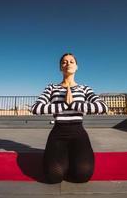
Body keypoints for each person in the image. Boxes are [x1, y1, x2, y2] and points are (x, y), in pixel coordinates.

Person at [31, 53, 108, 183]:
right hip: (58, 134)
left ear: (77, 67)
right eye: (64, 62)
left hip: (78, 133)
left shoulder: (84, 88)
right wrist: (64, 105)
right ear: (61, 68)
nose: (68, 64)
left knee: (83, 175)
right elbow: (35, 108)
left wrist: (74, 104)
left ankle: (69, 157)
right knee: (54, 176)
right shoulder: (52, 87)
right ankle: (62, 157)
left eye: (71, 61)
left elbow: (103, 107)